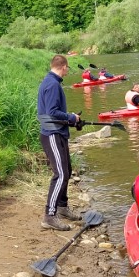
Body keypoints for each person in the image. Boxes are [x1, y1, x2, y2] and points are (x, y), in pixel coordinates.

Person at [37, 55, 82, 231]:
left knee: (67, 170)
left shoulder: (51, 82)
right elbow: (52, 112)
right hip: (52, 134)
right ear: (63, 67)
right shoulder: (53, 84)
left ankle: (62, 207)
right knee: (61, 174)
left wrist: (70, 119)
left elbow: (53, 112)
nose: (67, 71)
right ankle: (49, 215)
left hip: (57, 132)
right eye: (67, 68)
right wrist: (71, 117)